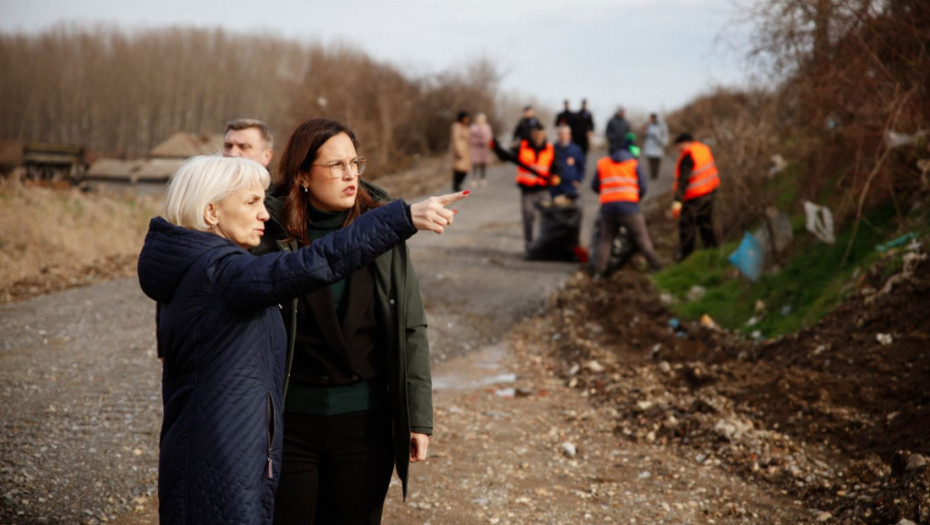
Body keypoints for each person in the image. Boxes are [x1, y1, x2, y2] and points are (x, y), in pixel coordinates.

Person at [137, 155, 466, 525]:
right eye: (251, 202)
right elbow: (310, 265)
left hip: (221, 448)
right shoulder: (221, 273)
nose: (264, 214)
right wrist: (398, 218)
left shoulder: (198, 266)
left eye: (263, 200)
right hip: (223, 456)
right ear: (211, 212)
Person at [251, 118, 444, 525]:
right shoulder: (268, 231)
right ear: (302, 174)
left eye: (355, 163)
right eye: (336, 165)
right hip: (290, 421)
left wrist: (417, 417)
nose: (350, 175)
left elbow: (410, 326)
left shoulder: (383, 226)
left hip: (365, 422)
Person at [591, 143, 663, 276]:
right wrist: (635, 198)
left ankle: (598, 272)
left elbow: (594, 185)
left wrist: (608, 194)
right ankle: (656, 266)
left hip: (608, 209)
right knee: (642, 238)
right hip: (629, 208)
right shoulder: (633, 164)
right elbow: (643, 186)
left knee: (605, 240)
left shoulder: (603, 163)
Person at [672, 132, 720, 260]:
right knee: (706, 222)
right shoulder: (703, 150)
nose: (679, 150)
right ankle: (712, 249)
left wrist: (677, 201)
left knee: (687, 226)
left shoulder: (688, 156)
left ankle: (686, 256)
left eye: (679, 147)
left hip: (695, 196)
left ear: (685, 143)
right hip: (710, 192)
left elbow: (683, 180)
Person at [514, 122, 560, 253]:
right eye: (535, 134)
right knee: (528, 217)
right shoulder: (522, 146)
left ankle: (546, 243)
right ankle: (529, 244)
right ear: (531, 134)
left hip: (543, 189)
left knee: (548, 217)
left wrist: (556, 176)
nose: (538, 136)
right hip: (527, 190)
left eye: (540, 133)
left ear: (544, 134)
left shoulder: (550, 149)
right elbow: (507, 156)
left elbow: (556, 167)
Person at [551, 124, 585, 200]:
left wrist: (578, 179)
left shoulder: (576, 150)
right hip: (555, 187)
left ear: (569, 135)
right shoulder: (552, 149)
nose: (563, 136)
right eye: (561, 134)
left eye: (565, 134)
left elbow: (581, 167)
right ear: (558, 135)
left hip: (570, 186)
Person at [642, 113, 669, 180]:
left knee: (657, 161)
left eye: (651, 118)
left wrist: (662, 141)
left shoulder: (662, 125)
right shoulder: (648, 125)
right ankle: (652, 174)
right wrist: (644, 131)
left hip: (658, 146)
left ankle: (655, 174)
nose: (650, 119)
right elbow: (645, 134)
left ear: (654, 118)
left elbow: (665, 134)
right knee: (651, 161)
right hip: (650, 146)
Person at [469, 112, 493, 187]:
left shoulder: (487, 127)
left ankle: (483, 178)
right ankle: (474, 179)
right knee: (475, 164)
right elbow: (470, 138)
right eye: (479, 119)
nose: (480, 121)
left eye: (481, 119)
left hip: (484, 148)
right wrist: (477, 140)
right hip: (475, 148)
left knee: (483, 164)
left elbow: (489, 137)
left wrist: (485, 141)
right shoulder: (473, 127)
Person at [450, 110, 472, 192]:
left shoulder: (466, 127)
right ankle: (456, 185)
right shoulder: (456, 126)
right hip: (459, 149)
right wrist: (458, 151)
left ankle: (459, 184)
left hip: (466, 149)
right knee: (458, 169)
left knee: (465, 169)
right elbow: (455, 139)